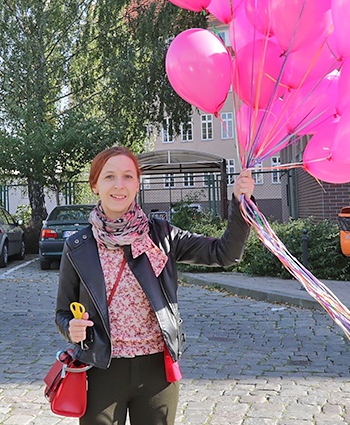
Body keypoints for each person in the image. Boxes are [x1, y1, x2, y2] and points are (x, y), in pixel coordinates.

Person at [55, 146, 255, 425]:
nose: (119, 185)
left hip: (156, 373)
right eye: (109, 176)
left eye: (127, 176)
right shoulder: (78, 246)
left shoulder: (163, 236)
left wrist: (239, 201)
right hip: (100, 369)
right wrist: (70, 328)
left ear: (137, 184)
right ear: (95, 185)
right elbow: (63, 312)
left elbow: (225, 253)